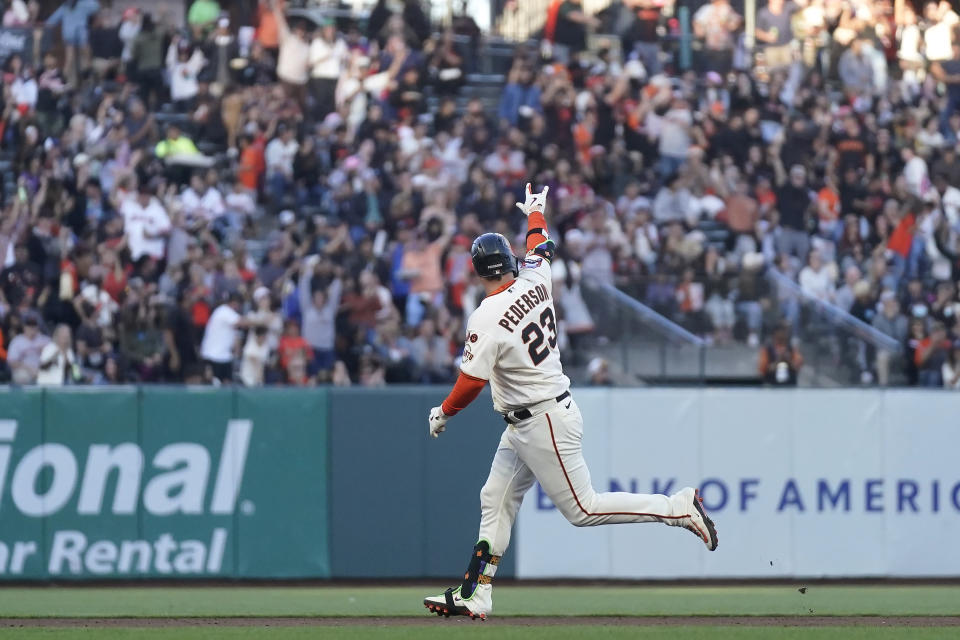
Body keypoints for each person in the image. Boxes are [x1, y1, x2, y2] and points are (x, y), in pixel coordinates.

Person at [422, 185, 717, 620]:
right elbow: (539, 246)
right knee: (495, 498)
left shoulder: (485, 316)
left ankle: (676, 508)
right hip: (529, 419)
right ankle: (476, 592)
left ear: (477, 270)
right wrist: (537, 212)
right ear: (508, 261)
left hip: (542, 420)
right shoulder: (535, 277)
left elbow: (469, 383)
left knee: (583, 509)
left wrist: (443, 413)